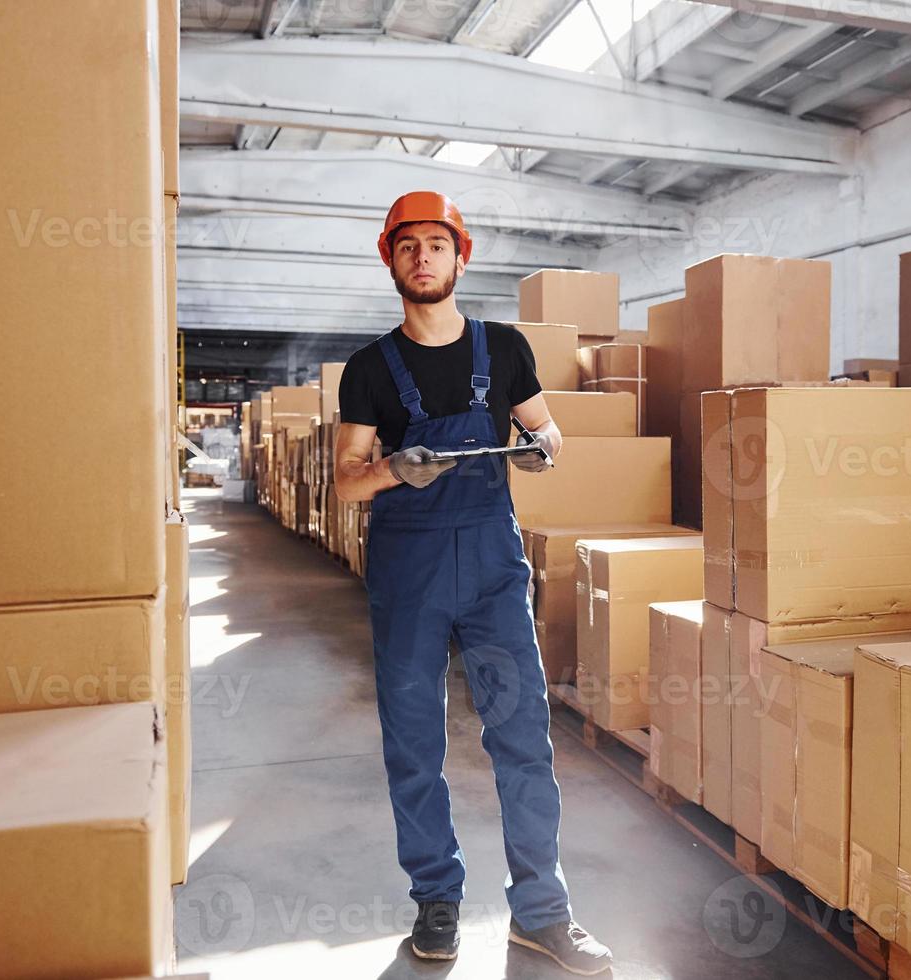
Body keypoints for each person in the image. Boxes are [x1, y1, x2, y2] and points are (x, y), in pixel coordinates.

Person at [334, 191, 613, 976]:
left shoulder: (505, 349)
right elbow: (344, 484)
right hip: (410, 572)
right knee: (414, 743)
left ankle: (542, 914)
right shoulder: (370, 370)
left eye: (436, 243)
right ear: (390, 259)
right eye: (408, 245)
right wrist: (392, 468)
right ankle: (436, 901)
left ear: (462, 256)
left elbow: (549, 430)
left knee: (522, 736)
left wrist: (539, 448)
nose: (423, 256)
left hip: (491, 568)